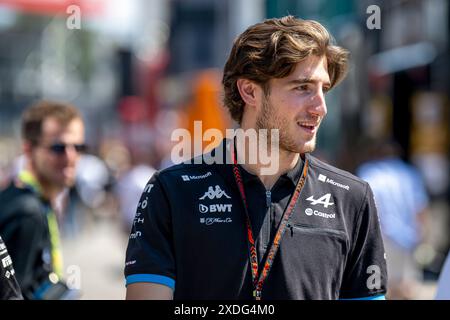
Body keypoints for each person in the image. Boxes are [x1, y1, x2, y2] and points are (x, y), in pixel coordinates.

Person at [125, 16, 387, 300]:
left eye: (323, 89)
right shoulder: (172, 191)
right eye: (302, 88)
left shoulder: (351, 198)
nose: (320, 107)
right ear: (249, 90)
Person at [0, 100, 85, 299]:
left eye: (78, 147)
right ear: (29, 150)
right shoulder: (26, 213)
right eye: (58, 147)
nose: (70, 156)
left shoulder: (29, 199)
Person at [356, 139, 429, 299]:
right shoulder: (410, 173)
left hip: (381, 235)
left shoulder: (369, 172)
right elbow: (420, 207)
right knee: (408, 284)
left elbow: (366, 205)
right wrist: (422, 234)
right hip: (408, 236)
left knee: (383, 285)